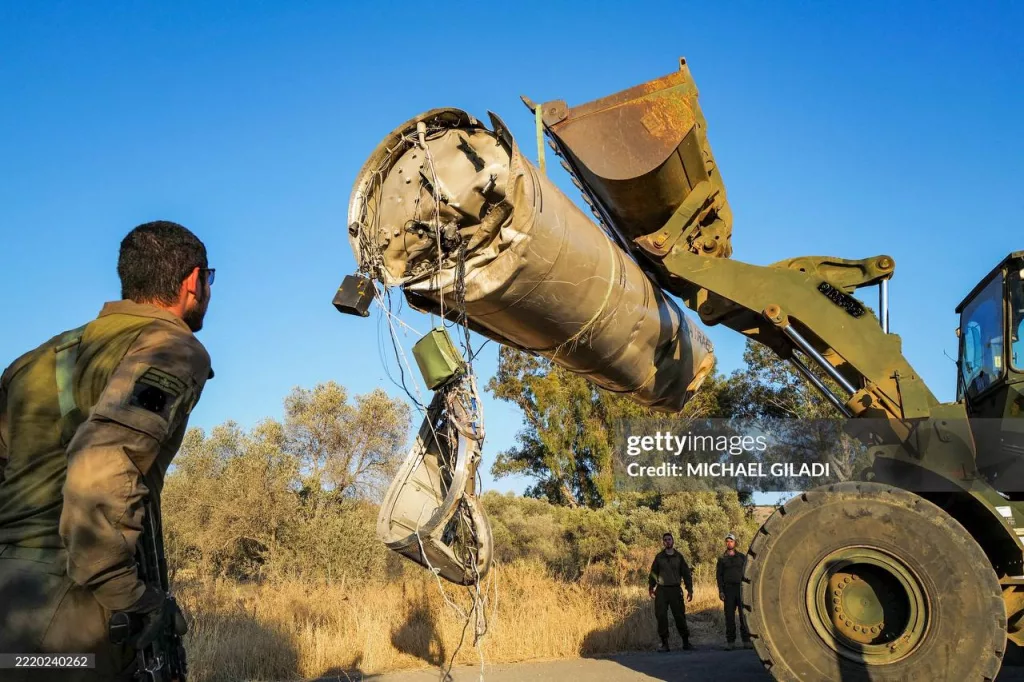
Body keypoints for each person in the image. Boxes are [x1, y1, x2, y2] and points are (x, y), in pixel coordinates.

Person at [0, 221, 215, 680]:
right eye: (210, 279)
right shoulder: (170, 348)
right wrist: (127, 594)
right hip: (70, 611)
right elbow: (104, 465)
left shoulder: (30, 362)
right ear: (193, 282)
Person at [648, 532, 693, 652]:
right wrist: (651, 588)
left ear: (673, 541)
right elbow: (653, 573)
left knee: (680, 616)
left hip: (675, 589)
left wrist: (690, 590)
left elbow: (686, 574)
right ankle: (664, 643)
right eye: (665, 540)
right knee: (661, 616)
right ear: (663, 542)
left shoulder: (679, 557)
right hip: (661, 590)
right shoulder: (659, 557)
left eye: (669, 539)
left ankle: (686, 642)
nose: (667, 541)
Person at [716, 532, 751, 650]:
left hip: (740, 589)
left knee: (743, 616)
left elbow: (748, 573)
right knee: (729, 617)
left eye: (731, 541)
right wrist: (721, 591)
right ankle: (730, 642)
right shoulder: (722, 559)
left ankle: (746, 641)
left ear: (735, 543)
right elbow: (719, 576)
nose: (729, 543)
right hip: (728, 590)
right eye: (727, 541)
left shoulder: (742, 557)